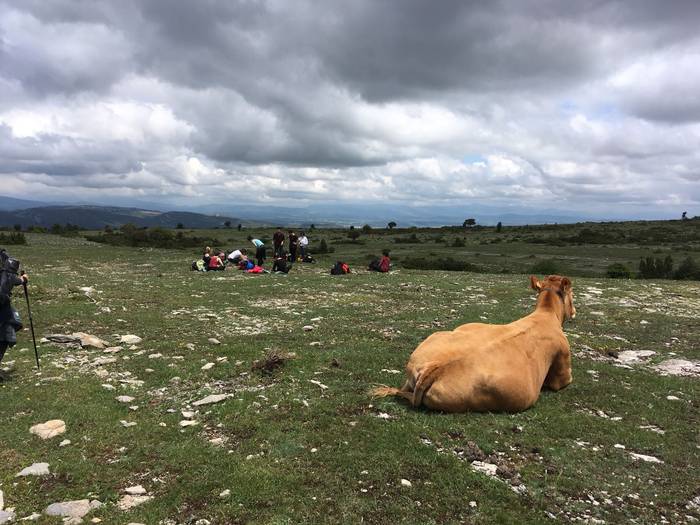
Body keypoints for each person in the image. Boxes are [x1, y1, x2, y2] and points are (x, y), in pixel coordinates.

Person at [0, 249, 28, 373]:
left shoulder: (2, 272)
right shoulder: (10, 276)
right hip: (3, 309)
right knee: (6, 334)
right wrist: (24, 278)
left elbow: (6, 259)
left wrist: (2, 252)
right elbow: (21, 280)